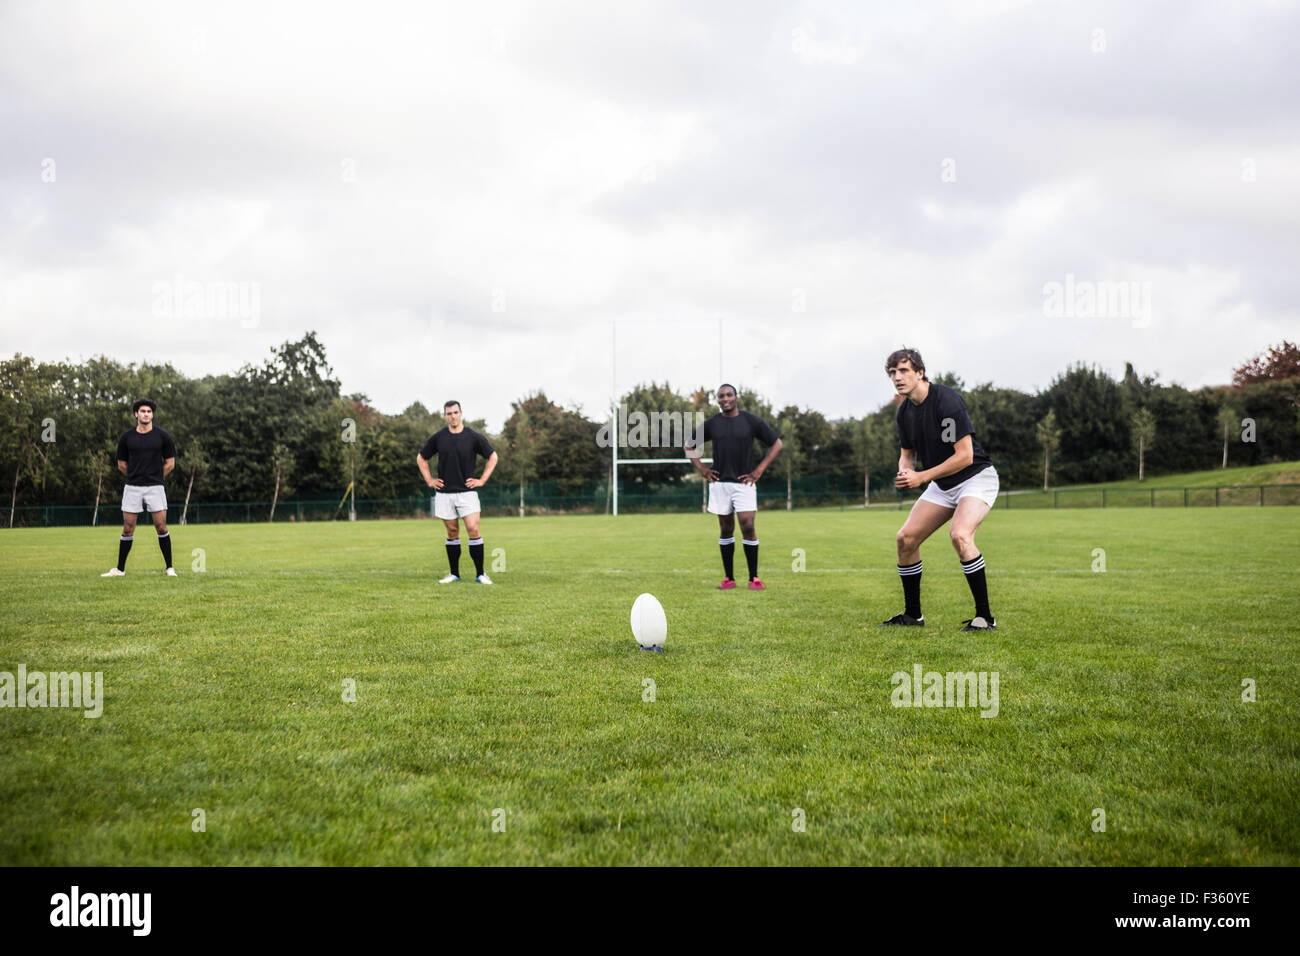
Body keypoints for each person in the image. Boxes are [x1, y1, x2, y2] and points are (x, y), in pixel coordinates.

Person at [880, 348, 999, 631]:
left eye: (904, 370)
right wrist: (906, 471)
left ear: (920, 372)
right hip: (943, 484)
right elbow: (907, 454)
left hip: (975, 477)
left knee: (960, 535)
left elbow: (964, 456)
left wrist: (921, 477)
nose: (897, 377)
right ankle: (913, 616)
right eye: (892, 373)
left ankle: (985, 618)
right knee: (906, 539)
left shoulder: (946, 400)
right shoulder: (905, 412)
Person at [685, 384, 782, 590]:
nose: (725, 398)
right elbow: (689, 445)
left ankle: (753, 578)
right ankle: (729, 578)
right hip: (719, 484)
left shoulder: (750, 421)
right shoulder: (713, 424)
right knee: (726, 529)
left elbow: (776, 444)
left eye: (729, 395)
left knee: (747, 525)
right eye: (721, 396)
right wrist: (702, 468)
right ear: (718, 400)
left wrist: (758, 471)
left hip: (744, 483)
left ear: (736, 397)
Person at [416, 400, 499, 584]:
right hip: (445, 494)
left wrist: (482, 480)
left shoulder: (473, 437)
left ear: (461, 413)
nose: (453, 416)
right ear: (445, 416)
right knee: (452, 532)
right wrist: (429, 480)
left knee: (473, 528)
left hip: (467, 493)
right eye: (449, 413)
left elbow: (493, 456)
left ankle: (481, 574)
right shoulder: (438, 438)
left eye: (455, 412)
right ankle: (454, 573)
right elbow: (421, 458)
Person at [102, 398, 177, 577]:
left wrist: (155, 478)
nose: (146, 414)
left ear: (152, 414)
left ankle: (170, 568)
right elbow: (121, 464)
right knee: (128, 527)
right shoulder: (127, 437)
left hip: (155, 488)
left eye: (149, 411)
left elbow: (170, 464)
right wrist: (136, 477)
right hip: (132, 488)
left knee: (161, 526)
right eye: (142, 411)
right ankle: (120, 569)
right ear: (136, 414)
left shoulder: (163, 436)